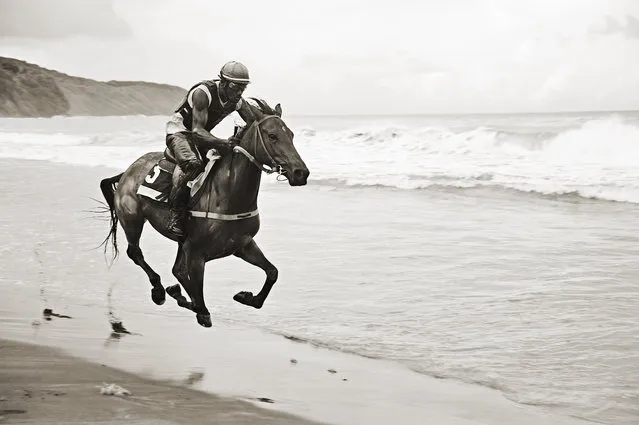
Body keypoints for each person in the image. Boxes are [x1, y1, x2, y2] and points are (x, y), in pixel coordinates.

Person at [164, 61, 254, 240]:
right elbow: (197, 131)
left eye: (243, 88)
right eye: (236, 88)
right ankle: (175, 215)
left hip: (202, 134)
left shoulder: (236, 101)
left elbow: (253, 121)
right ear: (225, 82)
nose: (239, 93)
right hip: (180, 132)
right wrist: (223, 143)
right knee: (194, 164)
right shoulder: (202, 93)